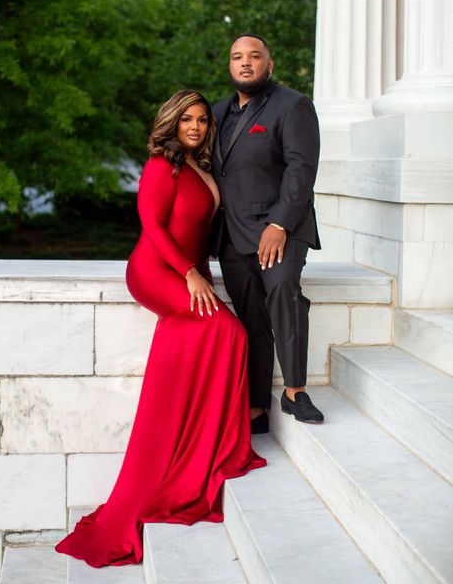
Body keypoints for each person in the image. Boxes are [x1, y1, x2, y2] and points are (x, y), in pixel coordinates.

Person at [55, 90, 266, 568]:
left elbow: (199, 236)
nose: (194, 126)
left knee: (216, 334)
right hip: (154, 269)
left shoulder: (203, 169)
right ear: (171, 123)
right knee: (227, 332)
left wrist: (202, 275)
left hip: (187, 270)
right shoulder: (161, 166)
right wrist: (189, 275)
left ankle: (199, 435)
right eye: (186, 119)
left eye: (201, 120)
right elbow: (152, 224)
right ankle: (200, 442)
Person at [211, 34, 323, 434]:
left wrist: (279, 224)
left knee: (283, 293)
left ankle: (295, 392)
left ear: (268, 64)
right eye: (237, 56)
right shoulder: (216, 112)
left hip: (282, 229)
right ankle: (257, 407)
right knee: (251, 319)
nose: (245, 63)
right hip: (233, 234)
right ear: (230, 66)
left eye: (254, 56)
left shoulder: (293, 106)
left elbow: (301, 170)